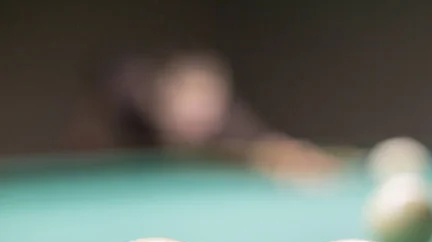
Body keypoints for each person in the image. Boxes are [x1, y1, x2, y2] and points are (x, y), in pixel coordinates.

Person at [67, 50, 341, 180]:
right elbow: (89, 131)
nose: (200, 118)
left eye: (210, 105)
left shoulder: (223, 117)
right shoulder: (127, 98)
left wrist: (295, 157)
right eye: (192, 103)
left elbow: (262, 145)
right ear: (168, 94)